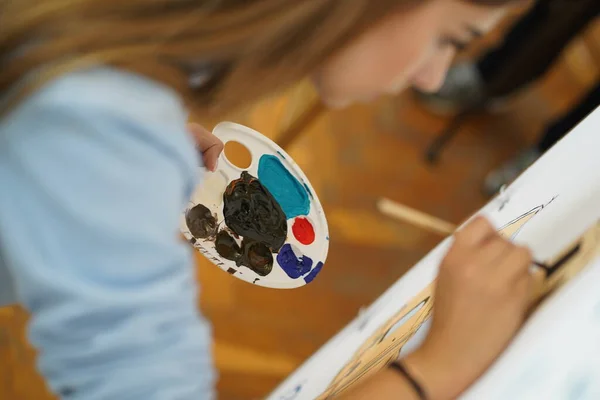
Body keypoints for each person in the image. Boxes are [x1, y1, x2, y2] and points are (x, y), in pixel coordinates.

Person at [0, 1, 537, 399]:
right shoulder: (102, 116)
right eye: (452, 37)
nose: (435, 75)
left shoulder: (113, 78)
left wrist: (124, 170)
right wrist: (434, 371)